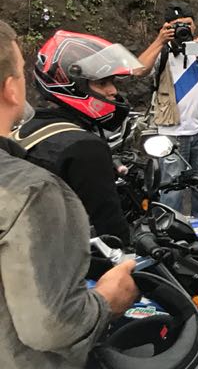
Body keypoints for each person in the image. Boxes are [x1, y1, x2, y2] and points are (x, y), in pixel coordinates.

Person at [0, 19, 141, 369]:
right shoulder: (27, 188)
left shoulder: (35, 140)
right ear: (11, 88)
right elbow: (51, 325)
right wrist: (106, 302)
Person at [13, 30, 141, 241]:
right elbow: (114, 238)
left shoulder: (26, 129)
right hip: (72, 266)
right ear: (72, 86)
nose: (113, 92)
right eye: (102, 83)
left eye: (112, 82)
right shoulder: (85, 148)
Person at [133, 2, 198, 217]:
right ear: (166, 27)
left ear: (194, 25)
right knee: (171, 187)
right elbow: (137, 70)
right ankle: (170, 229)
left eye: (188, 24)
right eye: (176, 25)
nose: (183, 29)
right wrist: (159, 41)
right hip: (172, 133)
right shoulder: (162, 52)